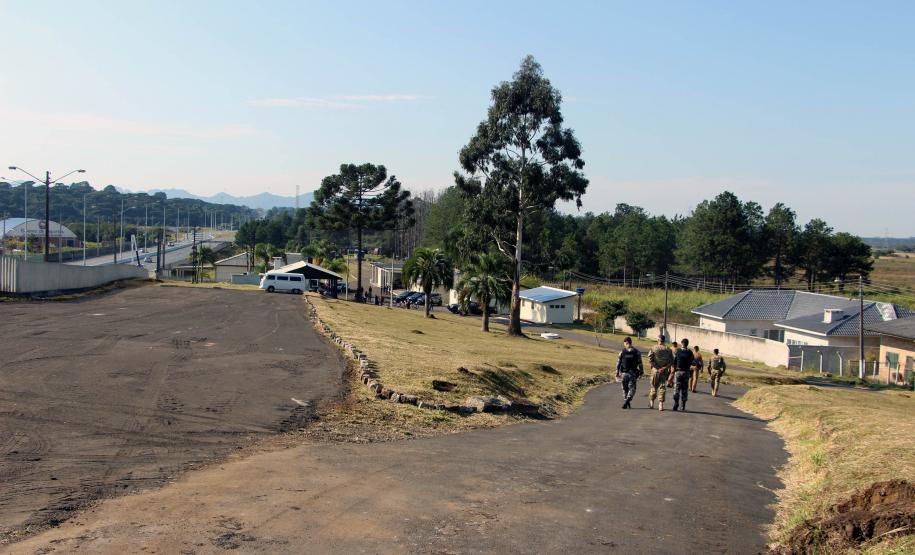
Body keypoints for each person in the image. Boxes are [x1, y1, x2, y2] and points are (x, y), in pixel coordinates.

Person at [647, 334, 674, 411]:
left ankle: (652, 402)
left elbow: (650, 359)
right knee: (662, 387)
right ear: (664, 340)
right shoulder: (668, 349)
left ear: (658, 340)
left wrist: (657, 367)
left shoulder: (653, 348)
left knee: (653, 386)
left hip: (655, 370)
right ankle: (660, 404)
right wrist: (665, 367)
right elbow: (671, 361)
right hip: (664, 371)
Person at [616, 337, 643, 409]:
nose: (624, 345)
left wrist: (617, 373)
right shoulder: (637, 352)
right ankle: (627, 401)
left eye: (624, 343)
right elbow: (640, 363)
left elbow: (618, 363)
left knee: (625, 389)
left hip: (624, 374)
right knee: (632, 388)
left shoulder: (622, 352)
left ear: (627, 342)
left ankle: (626, 401)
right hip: (633, 374)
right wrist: (641, 372)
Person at [669, 337, 694, 411]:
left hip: (678, 371)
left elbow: (674, 362)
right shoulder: (690, 352)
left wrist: (672, 371)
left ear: (682, 343)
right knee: (684, 389)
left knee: (676, 388)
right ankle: (683, 405)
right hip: (686, 372)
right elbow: (692, 361)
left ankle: (676, 403)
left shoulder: (678, 351)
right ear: (687, 344)